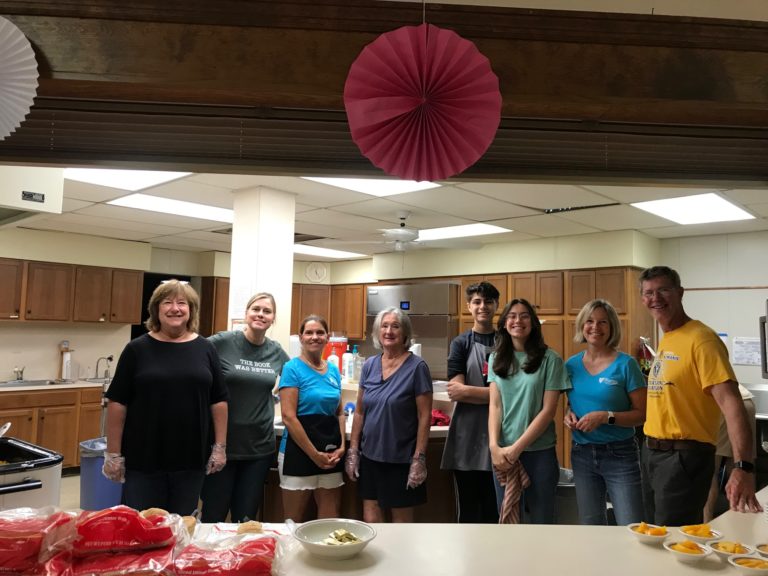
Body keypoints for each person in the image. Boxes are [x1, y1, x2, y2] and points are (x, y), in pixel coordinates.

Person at [639, 265, 761, 525]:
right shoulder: (669, 338)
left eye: (663, 290)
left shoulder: (702, 340)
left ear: (680, 293)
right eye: (649, 293)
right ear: (643, 299)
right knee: (653, 534)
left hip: (682, 457)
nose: (656, 298)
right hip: (653, 454)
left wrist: (743, 467)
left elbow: (732, 404)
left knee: (673, 538)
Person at [103, 279, 228, 515]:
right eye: (167, 302)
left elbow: (219, 400)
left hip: (191, 460)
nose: (175, 308)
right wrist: (113, 454)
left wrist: (219, 447)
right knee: (144, 525)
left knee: (182, 526)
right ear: (156, 309)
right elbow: (118, 402)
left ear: (191, 310)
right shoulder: (137, 349)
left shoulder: (206, 348)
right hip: (143, 460)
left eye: (182, 303)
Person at [201, 292, 289, 523]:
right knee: (213, 517)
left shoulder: (276, 351)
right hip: (221, 447)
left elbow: (297, 377)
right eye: (256, 309)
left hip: (258, 448)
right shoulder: (222, 342)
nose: (261, 314)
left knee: (246, 520)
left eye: (267, 311)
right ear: (246, 313)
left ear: (273, 318)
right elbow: (191, 356)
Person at [345, 307, 433, 523]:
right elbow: (360, 411)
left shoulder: (417, 367)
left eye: (395, 326)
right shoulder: (369, 365)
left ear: (405, 333)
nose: (389, 331)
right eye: (384, 326)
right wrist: (353, 451)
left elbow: (425, 416)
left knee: (401, 524)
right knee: (371, 518)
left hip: (401, 459)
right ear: (377, 332)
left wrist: (419, 458)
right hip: (370, 456)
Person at [564, 299, 647, 526]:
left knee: (631, 525)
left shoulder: (626, 365)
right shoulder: (571, 365)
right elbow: (573, 402)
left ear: (612, 328)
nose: (595, 327)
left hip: (620, 454)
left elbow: (643, 414)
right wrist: (568, 414)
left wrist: (605, 417)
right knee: (591, 526)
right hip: (582, 453)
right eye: (589, 321)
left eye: (603, 322)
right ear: (582, 325)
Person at [488, 298, 570, 524]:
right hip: (502, 454)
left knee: (541, 521)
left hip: (538, 453)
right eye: (512, 316)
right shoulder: (496, 358)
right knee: (508, 520)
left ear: (533, 323)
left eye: (524, 316)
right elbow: (495, 405)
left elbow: (548, 411)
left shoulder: (550, 359)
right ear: (504, 323)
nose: (518, 321)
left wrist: (517, 448)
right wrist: (494, 447)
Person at [440, 281, 500, 524]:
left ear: (496, 305)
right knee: (468, 511)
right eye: (477, 302)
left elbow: (516, 392)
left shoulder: (507, 341)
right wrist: (499, 395)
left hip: (501, 434)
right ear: (469, 306)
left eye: (488, 301)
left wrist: (470, 391)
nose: (482, 306)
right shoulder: (460, 343)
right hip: (467, 437)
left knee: (496, 508)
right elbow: (457, 392)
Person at [278, 315, 345, 521]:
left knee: (329, 520)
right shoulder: (292, 368)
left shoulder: (333, 370)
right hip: (298, 450)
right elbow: (288, 417)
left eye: (320, 332)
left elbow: (339, 412)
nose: (314, 337)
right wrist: (314, 454)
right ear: (301, 337)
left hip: (330, 452)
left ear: (327, 337)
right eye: (309, 332)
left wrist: (342, 446)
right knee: (293, 522)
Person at [703, 384, 757, 521]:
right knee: (741, 468)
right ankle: (740, 524)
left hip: (720, 404)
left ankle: (706, 525)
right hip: (744, 401)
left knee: (709, 471)